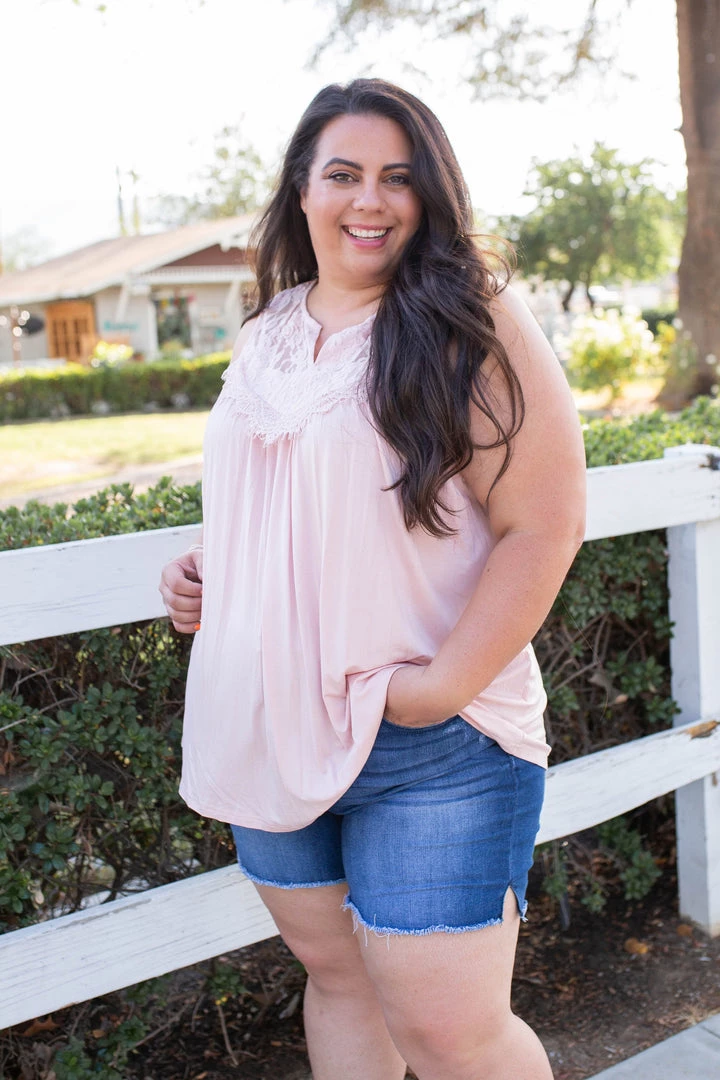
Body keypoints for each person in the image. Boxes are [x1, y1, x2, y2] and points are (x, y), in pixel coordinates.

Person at [159, 78, 586, 1080]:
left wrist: (436, 691)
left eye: (399, 178)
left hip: (432, 745)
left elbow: (546, 521)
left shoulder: (467, 319)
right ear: (301, 190)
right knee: (340, 982)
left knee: (451, 1030)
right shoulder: (265, 333)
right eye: (343, 173)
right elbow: (305, 511)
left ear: (430, 195)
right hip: (267, 722)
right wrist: (212, 575)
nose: (370, 199)